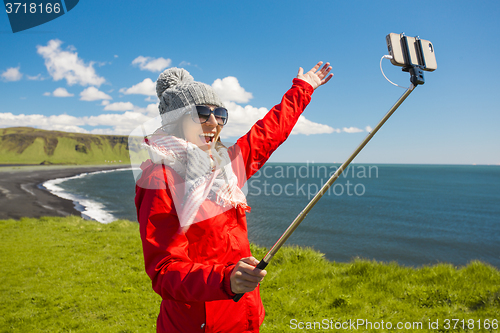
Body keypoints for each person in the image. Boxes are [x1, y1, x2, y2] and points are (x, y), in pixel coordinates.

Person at [135, 62, 333, 332]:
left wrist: (303, 88)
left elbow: (268, 134)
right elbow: (164, 271)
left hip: (243, 313)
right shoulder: (159, 178)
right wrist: (225, 279)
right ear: (175, 120)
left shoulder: (223, 167)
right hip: (198, 322)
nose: (214, 123)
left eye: (220, 114)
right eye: (201, 113)